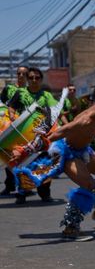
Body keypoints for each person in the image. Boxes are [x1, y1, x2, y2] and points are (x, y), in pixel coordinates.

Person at [11, 83, 95, 240]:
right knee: (88, 185)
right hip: (67, 152)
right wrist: (25, 151)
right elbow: (56, 134)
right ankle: (70, 228)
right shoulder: (86, 121)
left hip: (84, 150)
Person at [8, 67, 58, 204]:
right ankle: (21, 193)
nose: (34, 80)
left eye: (37, 77)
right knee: (23, 164)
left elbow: (55, 111)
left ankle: (44, 193)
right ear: (27, 79)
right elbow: (11, 106)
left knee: (44, 164)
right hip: (24, 136)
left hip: (42, 136)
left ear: (41, 79)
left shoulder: (46, 95)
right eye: (31, 78)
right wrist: (12, 115)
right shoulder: (20, 93)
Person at [0, 66, 27, 196]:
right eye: (19, 73)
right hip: (11, 127)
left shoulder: (30, 90)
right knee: (9, 155)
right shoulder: (9, 89)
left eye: (24, 73)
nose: (21, 75)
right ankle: (9, 185)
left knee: (26, 157)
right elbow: (3, 105)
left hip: (26, 127)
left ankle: (28, 186)